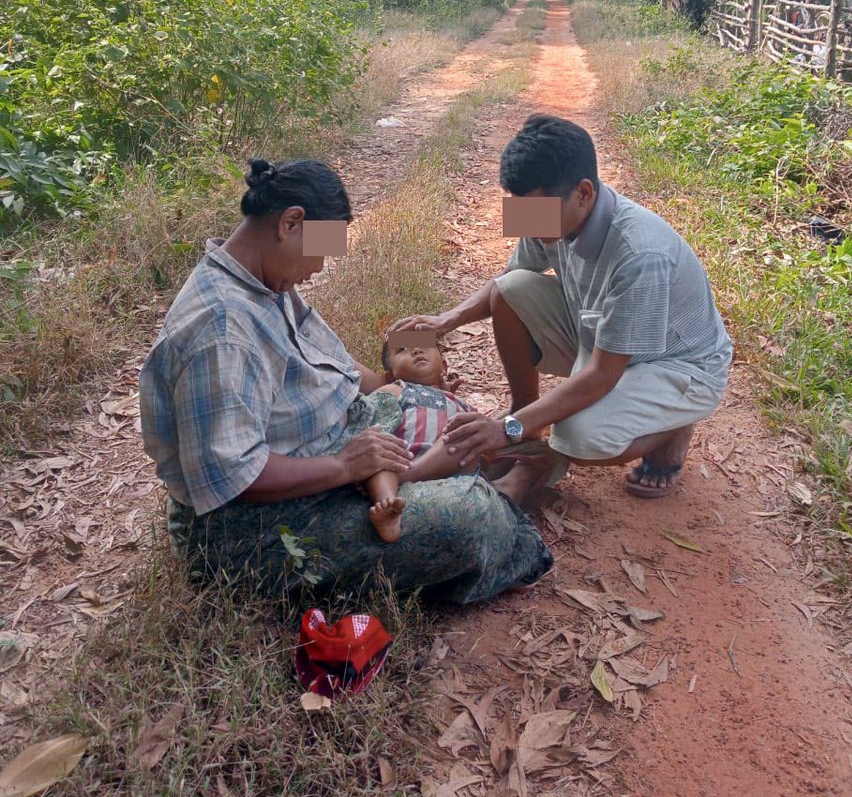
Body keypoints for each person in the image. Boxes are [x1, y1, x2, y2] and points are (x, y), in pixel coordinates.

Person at [138, 157, 552, 603]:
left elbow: (337, 367)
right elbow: (234, 477)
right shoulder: (220, 331)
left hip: (328, 448)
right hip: (248, 527)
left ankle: (448, 474)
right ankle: (499, 494)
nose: (318, 268)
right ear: (290, 223)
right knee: (470, 515)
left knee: (431, 408)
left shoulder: (263, 284)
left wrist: (410, 395)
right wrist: (344, 466)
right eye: (321, 250)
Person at [391, 115, 732, 504]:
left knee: (577, 436)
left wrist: (506, 429)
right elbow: (509, 279)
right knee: (509, 291)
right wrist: (448, 319)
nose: (529, 224)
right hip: (601, 334)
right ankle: (524, 415)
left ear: (584, 193)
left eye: (536, 213)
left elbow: (602, 375)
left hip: (675, 365)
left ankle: (671, 430)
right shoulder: (550, 210)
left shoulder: (640, 255)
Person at [365, 336, 473, 542]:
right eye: (402, 349)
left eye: (425, 344)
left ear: (444, 365)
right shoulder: (395, 390)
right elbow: (376, 426)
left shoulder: (463, 405)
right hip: (402, 463)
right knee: (381, 456)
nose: (416, 349)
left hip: (454, 471)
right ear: (390, 375)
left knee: (472, 436)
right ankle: (387, 504)